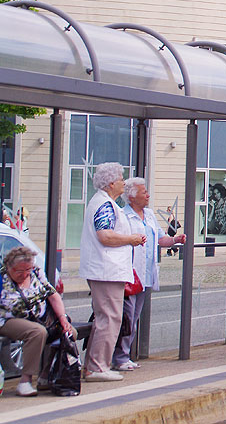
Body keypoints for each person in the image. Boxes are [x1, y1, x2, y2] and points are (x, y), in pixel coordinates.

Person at [79, 162, 146, 382]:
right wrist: (132, 239)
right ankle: (98, 366)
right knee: (109, 317)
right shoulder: (104, 205)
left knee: (107, 317)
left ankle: (94, 364)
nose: (123, 183)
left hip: (107, 270)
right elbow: (105, 235)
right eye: (120, 179)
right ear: (110, 184)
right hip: (106, 270)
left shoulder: (105, 203)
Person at [112, 178, 186, 371]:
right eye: (143, 192)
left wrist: (175, 239)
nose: (148, 195)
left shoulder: (150, 215)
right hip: (130, 274)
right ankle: (120, 357)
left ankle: (124, 355)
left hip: (145, 274)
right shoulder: (123, 216)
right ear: (132, 196)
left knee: (134, 317)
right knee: (126, 317)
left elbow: (160, 238)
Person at [0, 246, 76, 396]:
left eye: (27, 270)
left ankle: (45, 376)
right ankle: (25, 381)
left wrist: (62, 317)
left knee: (69, 332)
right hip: (9, 319)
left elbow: (53, 295)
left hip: (40, 318)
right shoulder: (2, 278)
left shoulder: (36, 272)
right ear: (9, 267)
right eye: (19, 271)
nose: (24, 274)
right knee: (37, 332)